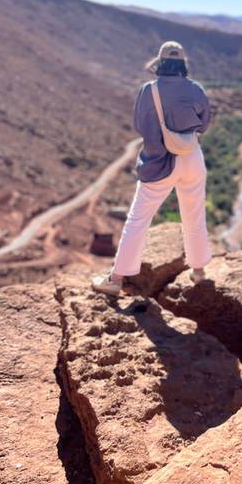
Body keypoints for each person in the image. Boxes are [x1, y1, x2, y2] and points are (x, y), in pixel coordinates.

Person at [92, 40, 213, 297]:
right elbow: (204, 124)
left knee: (138, 220)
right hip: (191, 156)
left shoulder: (150, 91)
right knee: (194, 214)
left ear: (160, 63)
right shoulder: (196, 89)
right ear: (183, 64)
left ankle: (115, 280)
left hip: (159, 160)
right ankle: (199, 271)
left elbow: (140, 125)